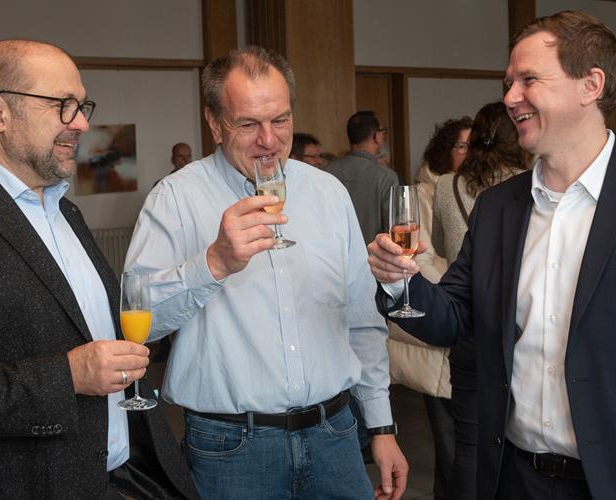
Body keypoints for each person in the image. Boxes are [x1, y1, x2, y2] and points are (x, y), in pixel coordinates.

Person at [368, 11, 616, 499]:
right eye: (508, 82)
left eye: (529, 79)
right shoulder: (500, 206)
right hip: (517, 479)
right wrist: (398, 282)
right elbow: (454, 317)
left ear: (591, 85)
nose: (510, 97)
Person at [0, 40, 198, 500]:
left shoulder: (65, 211)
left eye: (82, 105)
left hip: (124, 477)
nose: (82, 123)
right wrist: (66, 377)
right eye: (63, 105)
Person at [124, 46, 408, 500]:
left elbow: (359, 316)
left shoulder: (328, 193)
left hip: (335, 434)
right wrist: (213, 263)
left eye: (280, 120)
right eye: (249, 124)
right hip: (230, 449)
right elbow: (138, 319)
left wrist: (382, 424)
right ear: (215, 123)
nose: (269, 140)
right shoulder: (175, 198)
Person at [431, 102, 530, 500]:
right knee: (526, 439)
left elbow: (440, 247)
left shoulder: (446, 185)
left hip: (468, 321)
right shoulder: (528, 184)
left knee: (469, 443)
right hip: (519, 324)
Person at [387, 116, 470, 500]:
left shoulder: (476, 189)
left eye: (474, 147)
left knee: (460, 455)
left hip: (462, 326)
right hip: (436, 322)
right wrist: (464, 279)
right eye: (461, 147)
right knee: (450, 447)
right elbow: (420, 260)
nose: (469, 155)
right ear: (444, 151)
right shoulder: (424, 192)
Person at [325, 111, 400, 244]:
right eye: (383, 131)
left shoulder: (326, 172)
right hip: (373, 261)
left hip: (334, 258)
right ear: (376, 136)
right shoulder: (386, 177)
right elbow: (393, 232)